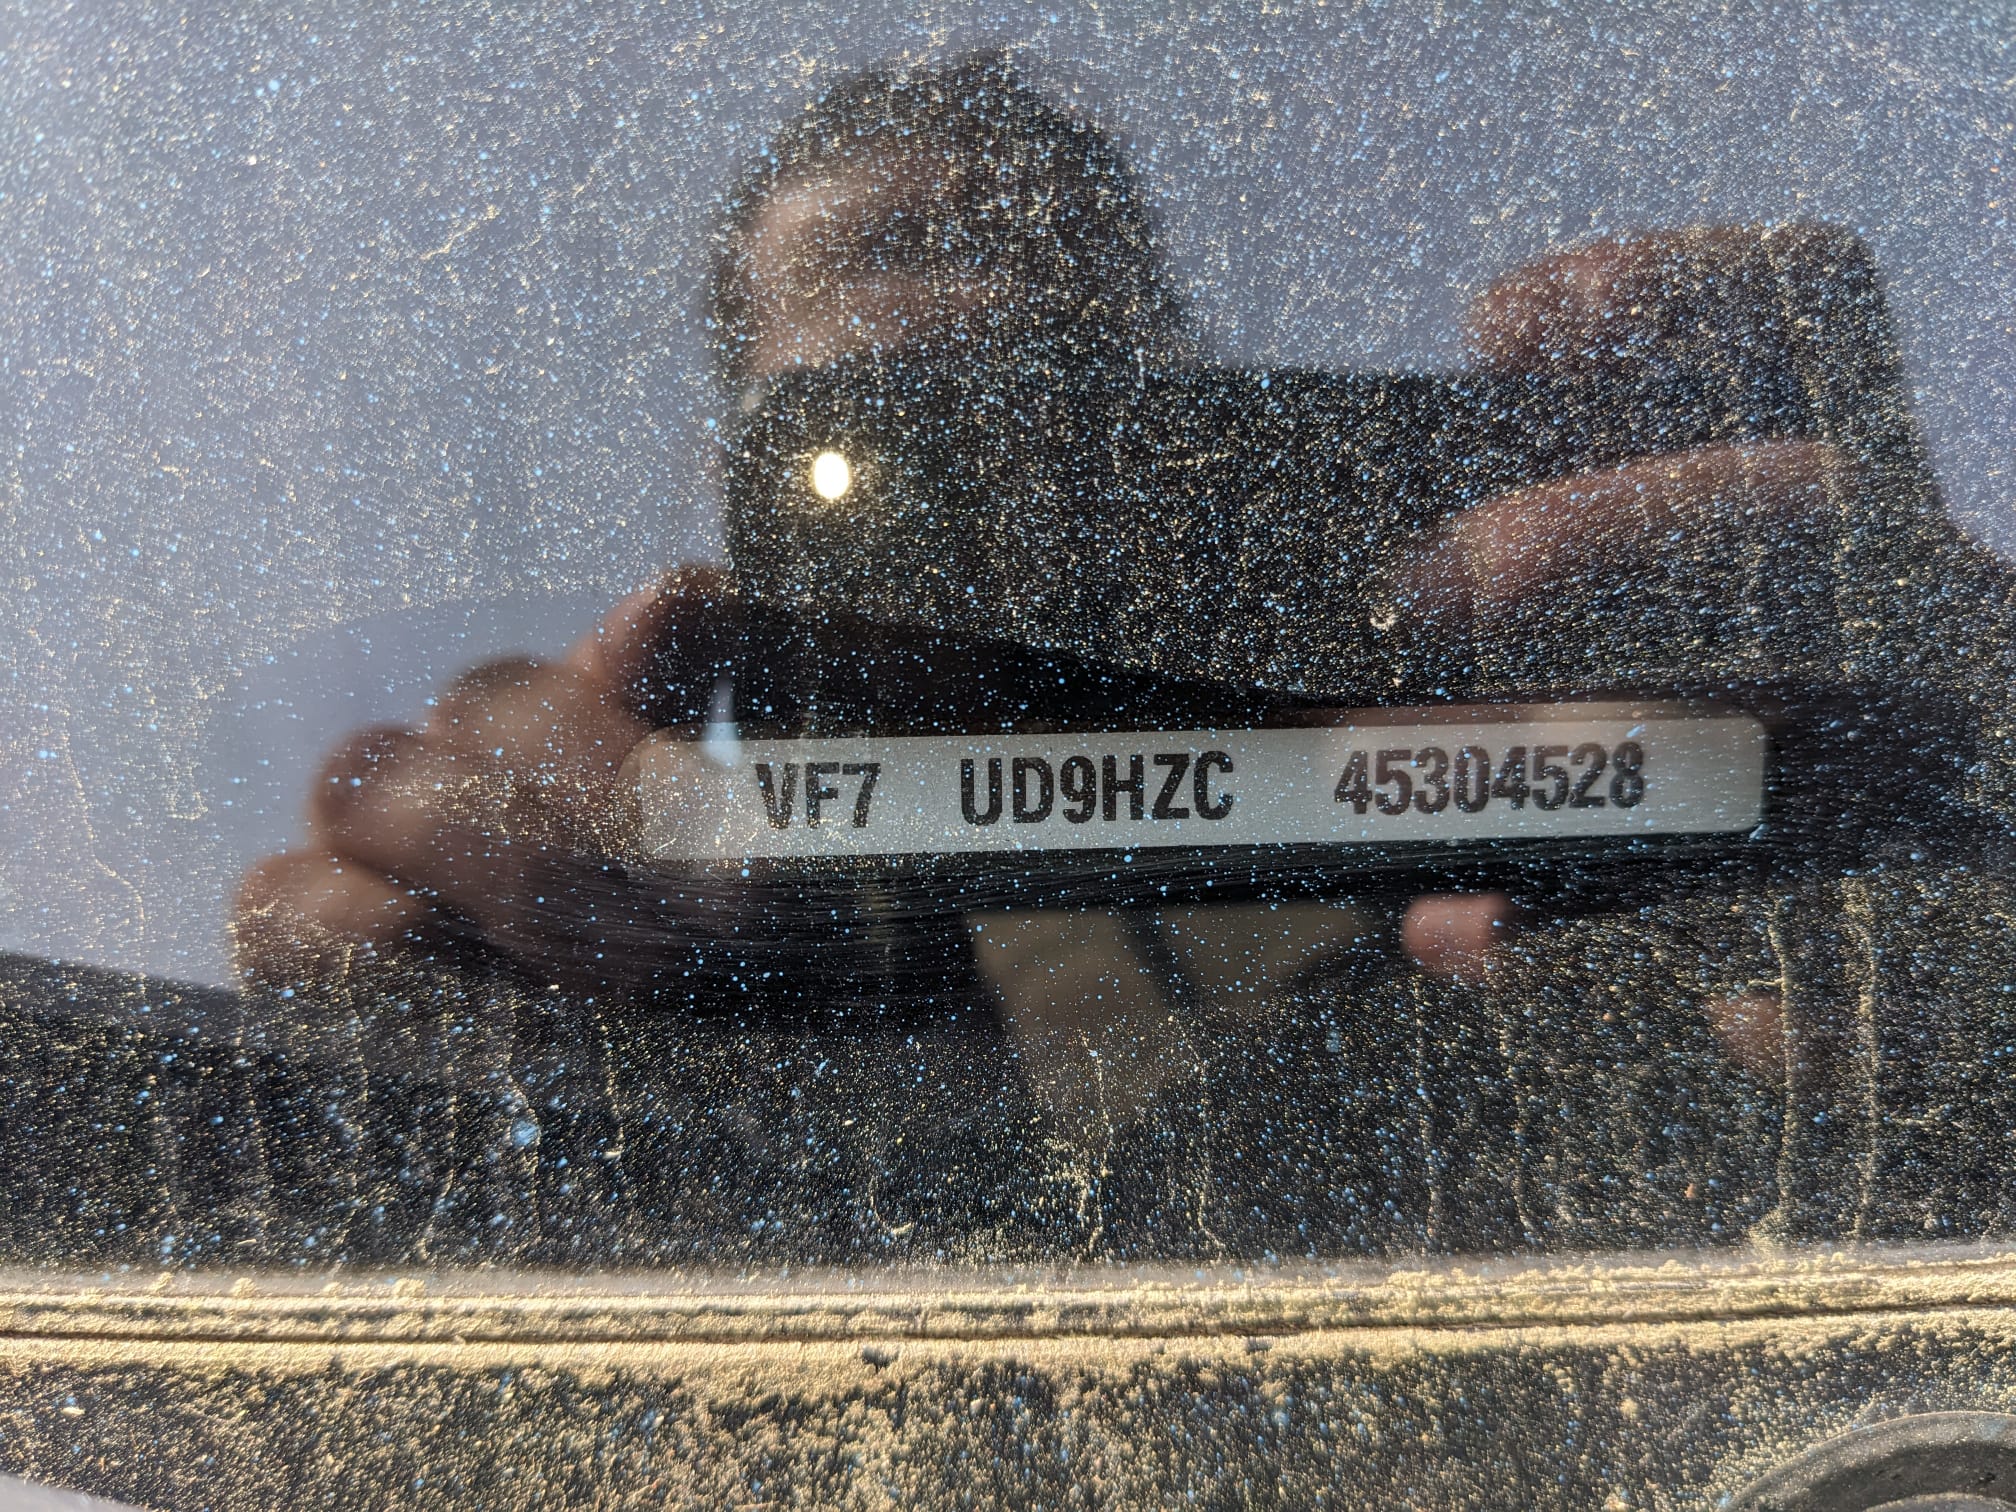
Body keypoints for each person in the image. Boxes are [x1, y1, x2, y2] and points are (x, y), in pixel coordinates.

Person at [228, 57, 1950, 1085]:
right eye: (885, 457)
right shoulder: (706, 894)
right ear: (735, 503)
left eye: (1060, 426)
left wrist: (1911, 718)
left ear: (1202, 432)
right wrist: (483, 1004)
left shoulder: (1496, 743)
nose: (986, 520)